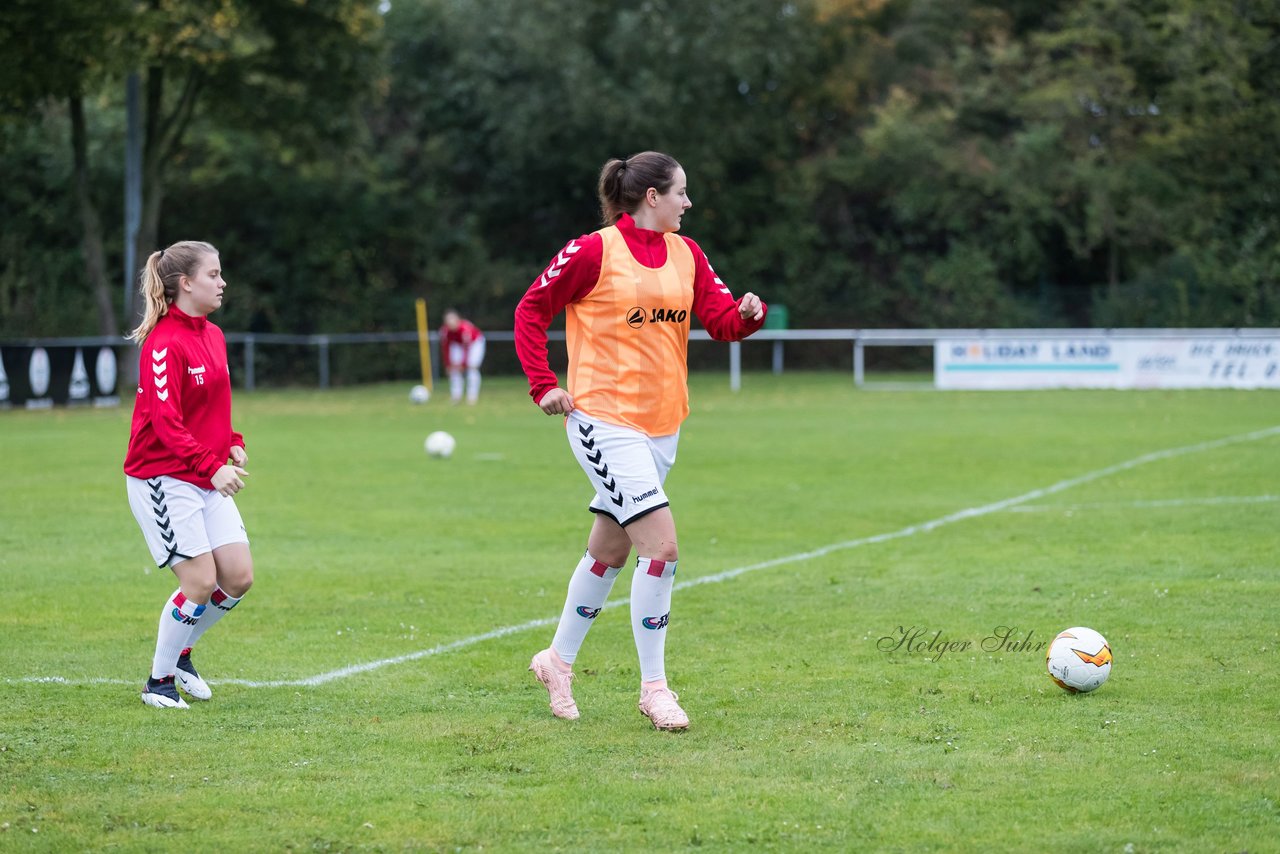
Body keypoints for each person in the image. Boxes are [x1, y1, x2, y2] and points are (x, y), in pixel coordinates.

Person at [515, 151, 766, 730]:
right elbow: (531, 309)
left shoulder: (688, 252)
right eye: (681, 192)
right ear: (652, 197)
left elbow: (722, 321)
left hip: (662, 425)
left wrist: (749, 314)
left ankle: (557, 660)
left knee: (610, 549)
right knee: (662, 547)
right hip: (602, 419)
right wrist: (543, 384)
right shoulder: (593, 250)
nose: (689, 203)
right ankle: (655, 689)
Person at [123, 241, 253, 709]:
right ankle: (157, 684)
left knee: (237, 577)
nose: (222, 283)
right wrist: (210, 467)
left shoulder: (213, 335)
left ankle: (181, 653)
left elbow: (216, 404)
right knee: (199, 581)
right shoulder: (162, 343)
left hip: (205, 471)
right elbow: (165, 422)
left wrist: (233, 441)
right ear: (186, 283)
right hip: (161, 476)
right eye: (214, 274)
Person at [440, 309, 485, 404]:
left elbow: (467, 348)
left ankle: (472, 397)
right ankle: (456, 396)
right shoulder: (445, 331)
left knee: (472, 367)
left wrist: (463, 364)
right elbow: (446, 348)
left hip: (475, 344)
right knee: (454, 369)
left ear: (457, 320)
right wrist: (448, 365)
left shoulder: (465, 329)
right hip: (457, 345)